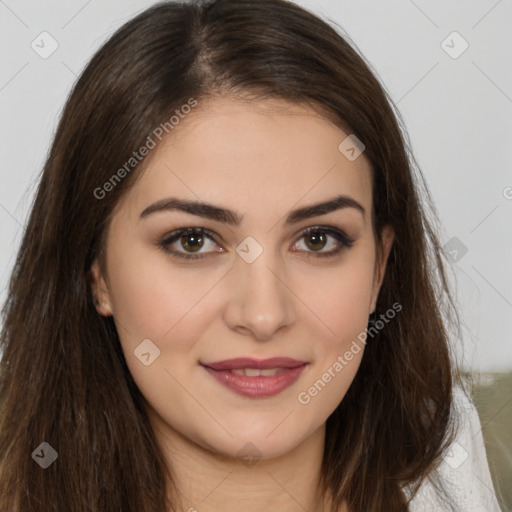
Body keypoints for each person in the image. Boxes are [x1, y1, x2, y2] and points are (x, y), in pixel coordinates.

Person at [0, 0, 502, 511]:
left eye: (317, 240)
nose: (263, 316)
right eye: (193, 241)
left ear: (379, 268)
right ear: (97, 271)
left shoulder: (450, 470)